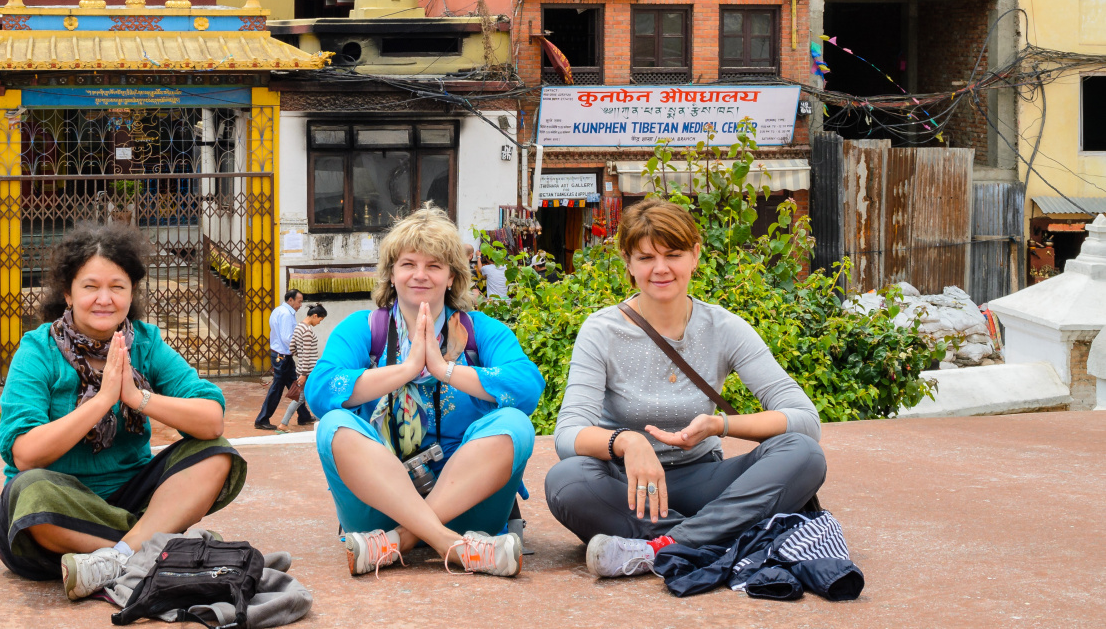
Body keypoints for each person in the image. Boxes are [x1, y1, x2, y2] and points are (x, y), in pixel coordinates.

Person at [544, 198, 827, 579]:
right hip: (629, 489)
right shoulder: (601, 331)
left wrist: (720, 426)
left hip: (704, 481)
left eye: (673, 255)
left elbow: (805, 420)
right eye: (645, 258)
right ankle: (720, 538)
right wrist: (627, 442)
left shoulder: (724, 328)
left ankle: (661, 548)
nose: (660, 269)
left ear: (694, 256)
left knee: (803, 453)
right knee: (567, 481)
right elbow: (568, 434)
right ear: (628, 262)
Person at [0, 224, 246, 602]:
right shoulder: (37, 351)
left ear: (131, 294)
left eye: (117, 287)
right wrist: (101, 401)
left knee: (215, 453)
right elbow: (25, 453)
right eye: (90, 286)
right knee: (28, 493)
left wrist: (136, 397)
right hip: (64, 510)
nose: (104, 299)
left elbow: (211, 419)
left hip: (132, 499)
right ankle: (158, 547)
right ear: (67, 293)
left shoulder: (144, 342)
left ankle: (118, 558)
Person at [305, 207, 544, 578]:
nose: (420, 275)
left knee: (515, 424)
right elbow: (319, 391)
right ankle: (456, 547)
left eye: (434, 265)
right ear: (392, 274)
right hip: (377, 504)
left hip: (468, 502)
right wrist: (404, 370)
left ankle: (400, 541)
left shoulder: (479, 330)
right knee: (333, 425)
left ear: (452, 276)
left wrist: (445, 370)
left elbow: (527, 386)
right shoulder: (366, 329)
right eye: (408, 264)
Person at [253, 288, 307, 430]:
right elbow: (286, 337)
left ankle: (304, 415)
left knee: (294, 383)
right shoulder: (286, 314)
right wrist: (299, 350)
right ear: (291, 300)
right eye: (299, 301)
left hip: (281, 355)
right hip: (282, 356)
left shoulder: (279, 310)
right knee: (277, 388)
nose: (300, 305)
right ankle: (262, 419)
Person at [278, 303, 327, 428]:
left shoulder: (299, 327)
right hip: (309, 371)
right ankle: (284, 424)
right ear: (314, 316)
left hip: (303, 369)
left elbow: (292, 348)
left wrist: (301, 361)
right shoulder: (307, 331)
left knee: (307, 397)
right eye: (320, 320)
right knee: (309, 397)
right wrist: (304, 373)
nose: (319, 323)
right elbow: (306, 354)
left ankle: (318, 420)